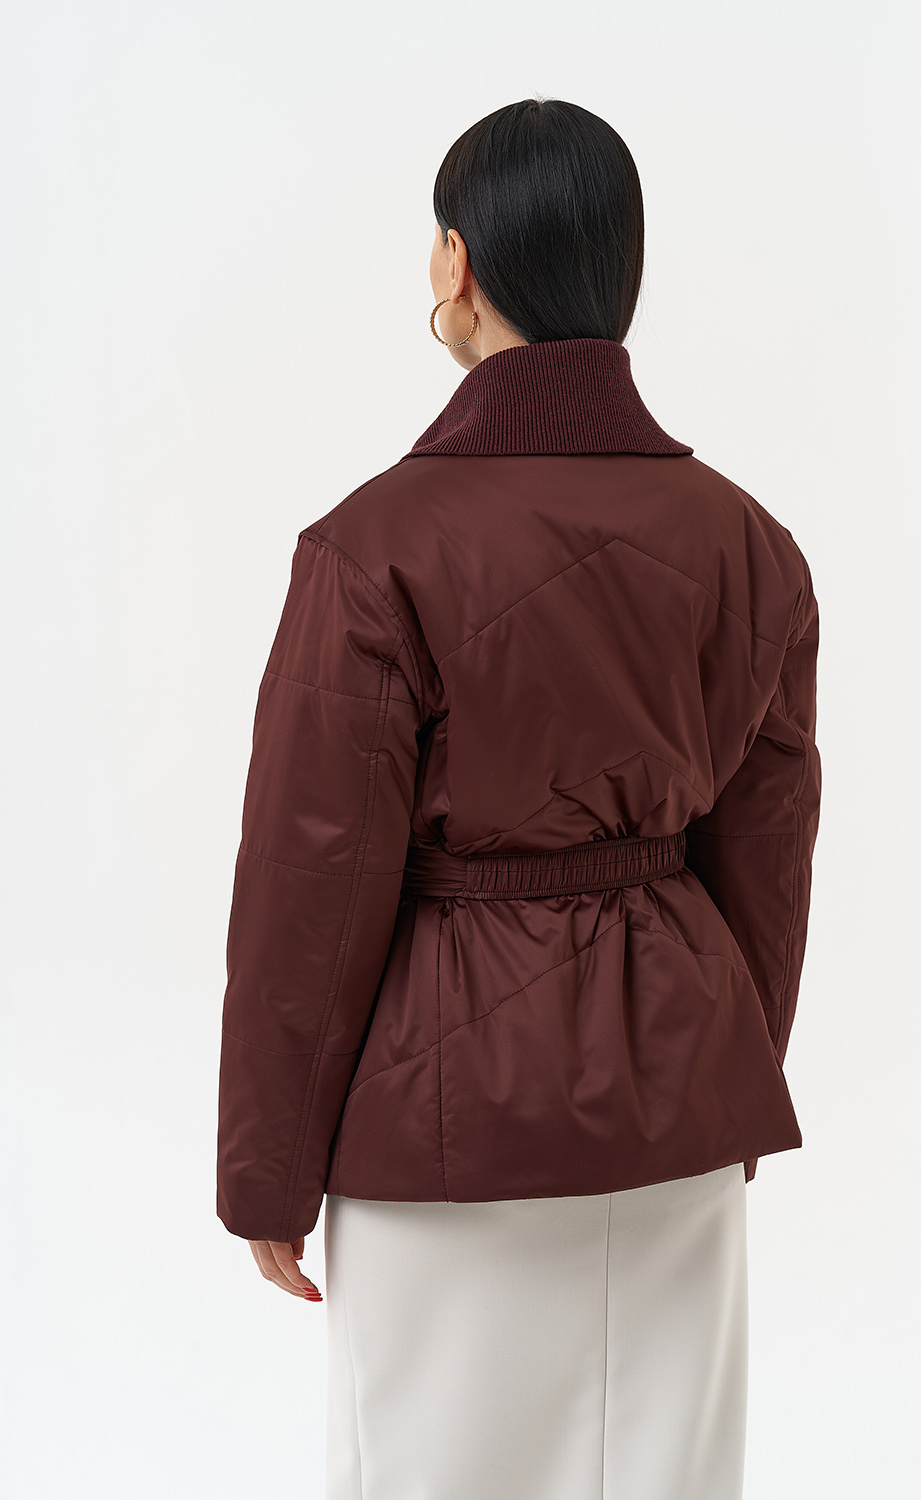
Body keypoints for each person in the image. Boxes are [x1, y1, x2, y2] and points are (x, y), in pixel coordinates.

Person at [216, 96, 822, 1500]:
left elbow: (311, 886)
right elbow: (767, 864)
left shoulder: (370, 550)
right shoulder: (751, 544)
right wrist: (718, 1072)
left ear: (457, 260)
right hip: (677, 1121)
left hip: (441, 1139)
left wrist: (266, 1172)